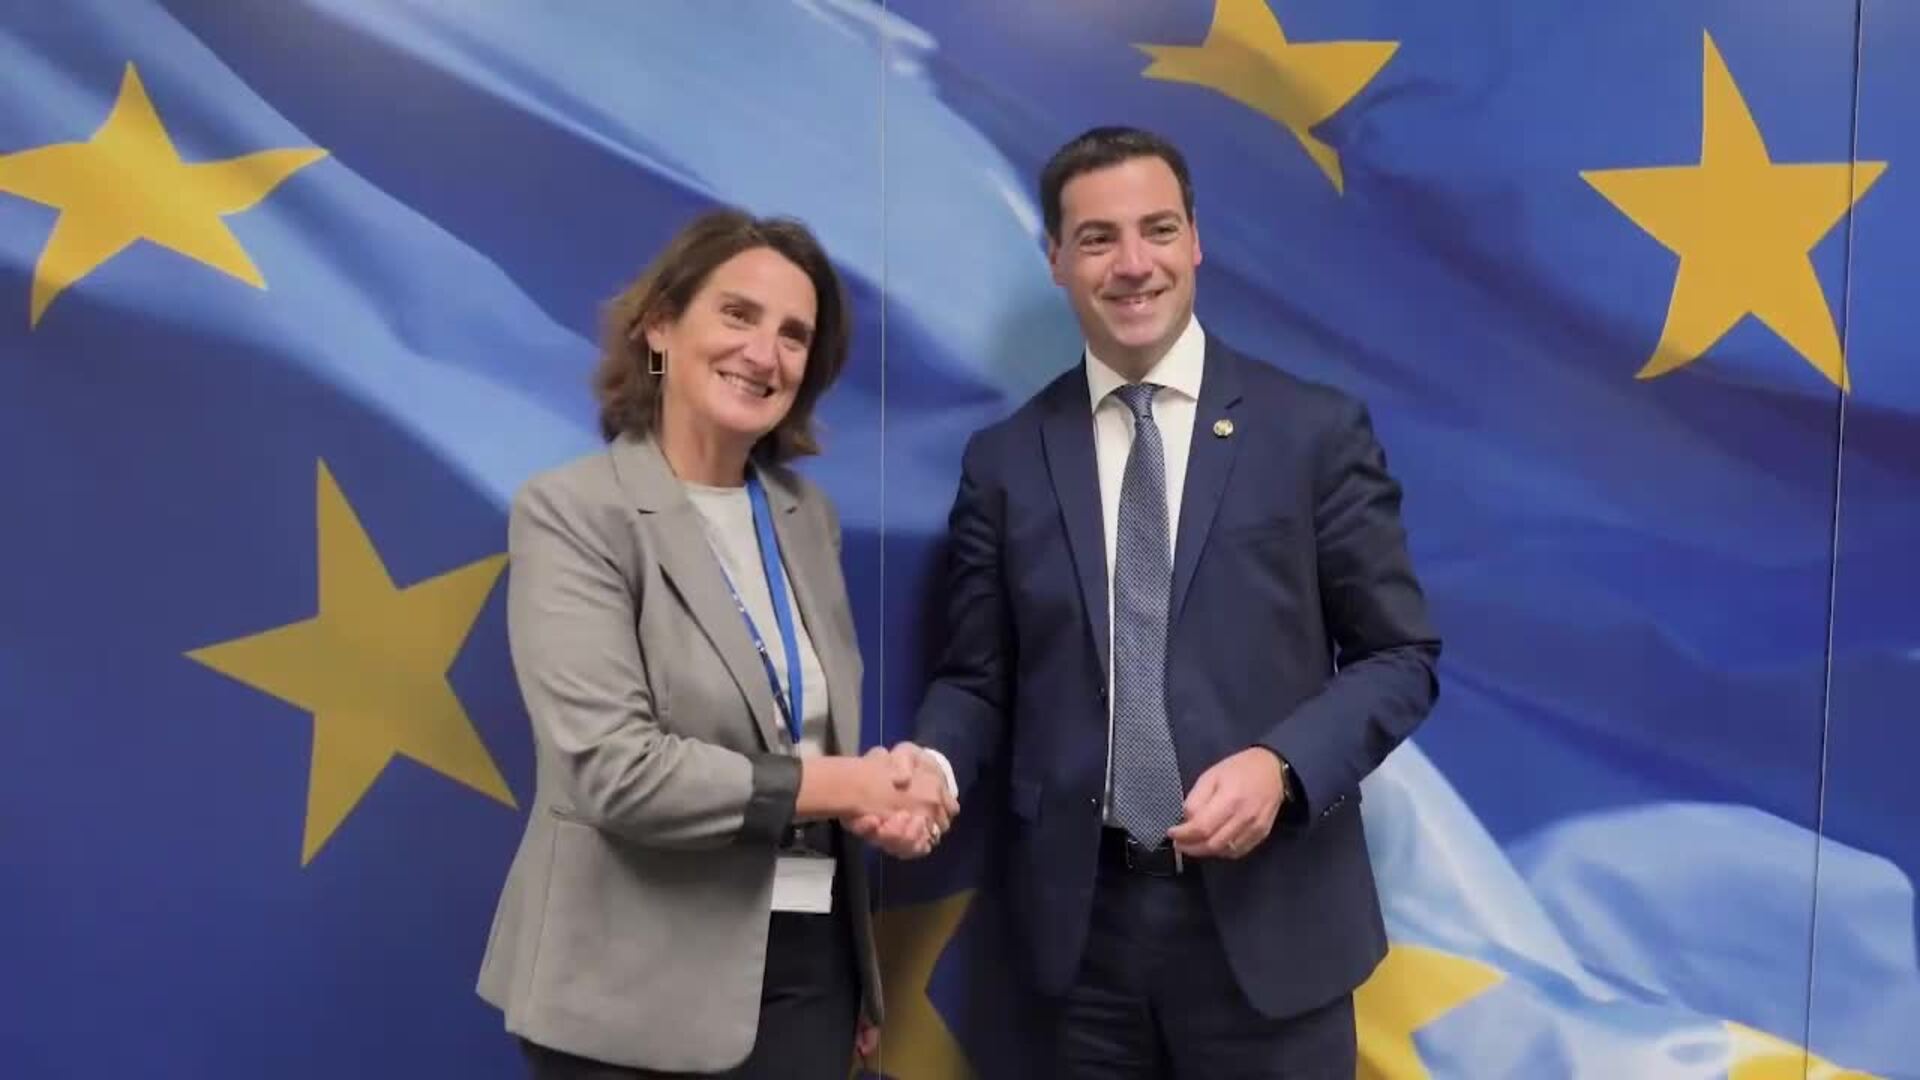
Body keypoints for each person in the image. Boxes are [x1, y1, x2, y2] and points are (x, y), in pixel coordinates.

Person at [888, 126, 1442, 1076]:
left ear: (1196, 241)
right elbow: (977, 678)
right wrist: (932, 765)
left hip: (1273, 932)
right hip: (1077, 946)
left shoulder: (1311, 431)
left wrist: (1281, 766)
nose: (1133, 263)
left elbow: (1401, 657)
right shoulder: (1006, 462)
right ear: (1056, 260)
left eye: (1157, 229)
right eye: (1098, 238)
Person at [476, 208, 956, 1079]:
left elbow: (807, 735)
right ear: (660, 326)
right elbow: (616, 772)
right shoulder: (574, 512)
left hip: (808, 975)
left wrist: (883, 809)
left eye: (794, 335)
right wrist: (850, 784)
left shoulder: (807, 519)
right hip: (629, 990)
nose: (764, 353)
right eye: (738, 314)